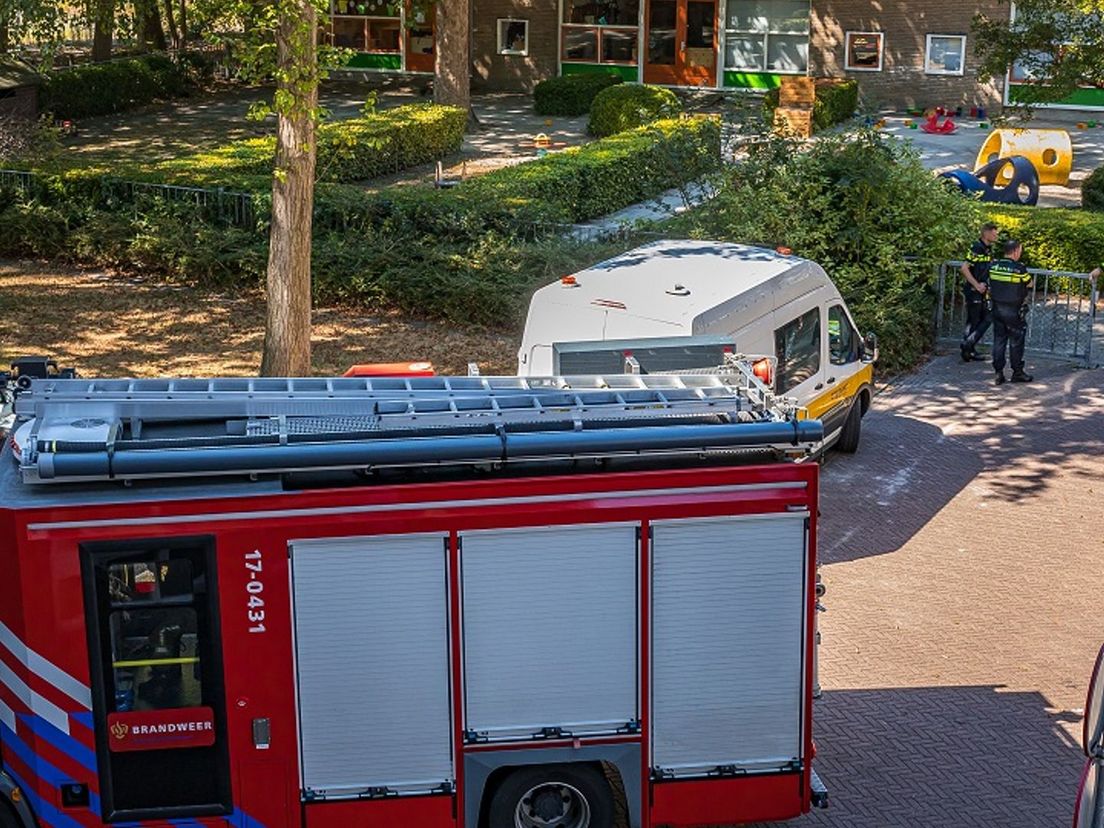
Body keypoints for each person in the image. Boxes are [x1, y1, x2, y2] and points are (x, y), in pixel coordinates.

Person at [988, 239, 1034, 385]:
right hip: (1014, 311)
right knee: (1016, 342)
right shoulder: (1019, 268)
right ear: (1015, 251)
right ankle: (1017, 372)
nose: (1020, 253)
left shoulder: (994, 266)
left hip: (997, 309)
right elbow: (1030, 283)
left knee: (999, 341)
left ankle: (998, 373)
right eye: (1020, 250)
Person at [960, 222, 999, 362]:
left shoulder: (987, 249)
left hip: (980, 290)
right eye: (995, 233)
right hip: (974, 290)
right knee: (986, 318)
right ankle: (967, 345)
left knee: (974, 321)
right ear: (986, 233)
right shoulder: (977, 247)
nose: (997, 236)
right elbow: (964, 268)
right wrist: (976, 285)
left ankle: (968, 350)